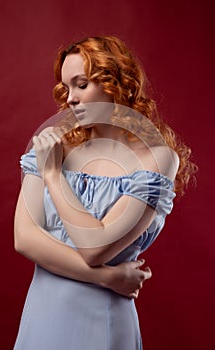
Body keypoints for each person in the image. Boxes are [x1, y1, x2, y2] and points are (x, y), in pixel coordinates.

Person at [14, 36, 196, 350]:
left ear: (116, 84)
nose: (70, 98)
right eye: (66, 87)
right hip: (43, 313)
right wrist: (105, 278)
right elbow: (24, 238)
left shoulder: (157, 158)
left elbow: (95, 247)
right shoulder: (54, 144)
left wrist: (54, 176)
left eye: (81, 84)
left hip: (104, 320)